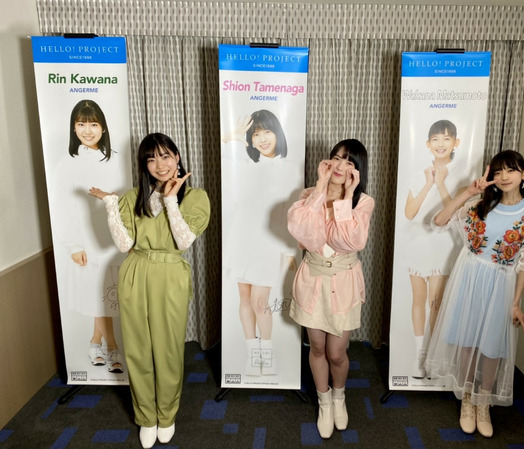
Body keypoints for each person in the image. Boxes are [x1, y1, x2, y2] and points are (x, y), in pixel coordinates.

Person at [89, 133, 210, 448]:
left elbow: (183, 240)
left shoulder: (195, 196)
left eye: (165, 156)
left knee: (168, 350)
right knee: (137, 349)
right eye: (151, 159)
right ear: (144, 164)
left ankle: (166, 415)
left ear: (177, 157)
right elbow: (125, 245)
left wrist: (170, 199)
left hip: (170, 274)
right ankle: (146, 417)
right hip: (135, 271)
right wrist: (111, 205)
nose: (160, 164)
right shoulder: (134, 197)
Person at [425, 150, 524, 438]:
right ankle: (467, 398)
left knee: (492, 346)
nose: (504, 177)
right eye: (498, 171)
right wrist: (468, 193)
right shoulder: (479, 207)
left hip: (501, 283)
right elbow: (439, 220)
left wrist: (516, 303)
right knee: (467, 340)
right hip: (469, 278)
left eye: (511, 170)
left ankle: (483, 402)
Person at [287, 139, 374, 439]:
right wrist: (320, 188)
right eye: (337, 158)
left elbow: (348, 241)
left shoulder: (363, 202)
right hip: (313, 280)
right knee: (317, 347)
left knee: (336, 352)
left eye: (349, 162)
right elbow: (304, 236)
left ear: (358, 170)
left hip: (343, 283)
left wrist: (346, 196)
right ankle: (324, 403)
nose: (340, 166)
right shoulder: (309, 196)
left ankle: (339, 397)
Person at [221, 110, 299, 377]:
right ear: (251, 140)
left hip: (269, 243)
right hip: (242, 238)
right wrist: (230, 138)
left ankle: (267, 351)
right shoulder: (245, 166)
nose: (262, 139)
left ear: (278, 134)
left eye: (267, 132)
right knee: (244, 298)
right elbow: (232, 195)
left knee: (260, 302)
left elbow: (291, 214)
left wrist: (289, 250)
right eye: (256, 134)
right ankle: (252, 353)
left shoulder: (289, 170)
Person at [53, 99, 125, 373]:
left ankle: (95, 341)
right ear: (73, 128)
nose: (87, 130)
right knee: (99, 294)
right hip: (86, 241)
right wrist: (73, 244)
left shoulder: (116, 159)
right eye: (81, 124)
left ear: (103, 127)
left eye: (93, 124)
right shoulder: (67, 163)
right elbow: (62, 207)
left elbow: (124, 198)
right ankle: (112, 347)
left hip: (115, 240)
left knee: (106, 296)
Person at [403, 119, 468, 378]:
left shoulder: (462, 177)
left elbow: (456, 214)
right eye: (436, 139)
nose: (441, 144)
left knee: (436, 303)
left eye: (446, 138)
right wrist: (429, 183)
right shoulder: (418, 173)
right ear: (428, 144)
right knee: (418, 299)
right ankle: (420, 354)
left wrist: (441, 183)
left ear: (456, 142)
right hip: (418, 243)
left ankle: (433, 356)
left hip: (443, 245)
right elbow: (409, 213)